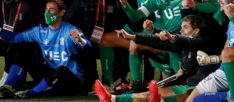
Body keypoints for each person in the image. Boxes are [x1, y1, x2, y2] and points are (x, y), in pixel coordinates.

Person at [94, 15, 222, 102]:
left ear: (196, 31)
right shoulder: (184, 44)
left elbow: (184, 41)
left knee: (160, 96)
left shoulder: (204, 41)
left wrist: (172, 37)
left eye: (185, 27)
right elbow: (159, 41)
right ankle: (111, 98)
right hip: (188, 85)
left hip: (202, 89)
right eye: (181, 27)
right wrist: (132, 37)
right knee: (154, 92)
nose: (181, 30)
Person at [0, 0, 90, 99]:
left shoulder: (70, 30)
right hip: (49, 75)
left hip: (70, 80)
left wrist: (80, 40)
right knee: (24, 48)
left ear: (61, 13)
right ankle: (7, 87)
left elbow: (88, 47)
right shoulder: (39, 31)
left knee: (60, 70)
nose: (47, 13)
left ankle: (31, 93)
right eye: (46, 10)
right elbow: (14, 38)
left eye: (51, 10)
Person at [63, 0, 130, 90]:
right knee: (83, 47)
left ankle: (112, 80)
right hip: (87, 37)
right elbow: (68, 19)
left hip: (109, 38)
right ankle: (92, 82)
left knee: (124, 50)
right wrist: (77, 32)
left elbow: (125, 21)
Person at [186, 0, 234, 102]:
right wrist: (210, 59)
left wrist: (214, 59)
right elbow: (226, 49)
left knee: (198, 100)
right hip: (223, 71)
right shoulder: (231, 21)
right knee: (191, 99)